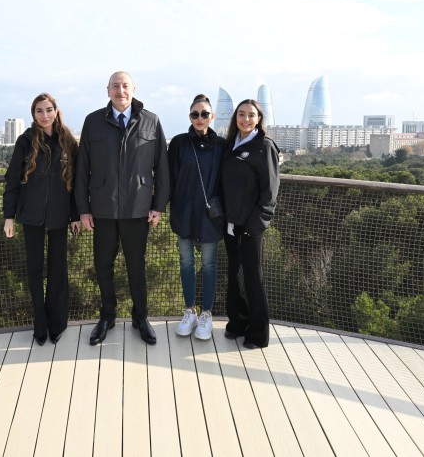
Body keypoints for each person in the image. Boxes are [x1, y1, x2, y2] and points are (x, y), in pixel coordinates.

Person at [75, 71, 170, 345]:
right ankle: (107, 316)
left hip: (138, 209)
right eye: (115, 86)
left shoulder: (151, 121)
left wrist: (158, 206)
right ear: (108, 91)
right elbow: (82, 170)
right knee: (103, 265)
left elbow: (161, 167)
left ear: (134, 89)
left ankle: (141, 318)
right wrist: (83, 209)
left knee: (136, 266)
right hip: (102, 209)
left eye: (125, 86)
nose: (120, 91)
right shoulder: (93, 122)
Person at [3, 93, 80, 346]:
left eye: (48, 110)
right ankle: (40, 326)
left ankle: (58, 323)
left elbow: (77, 183)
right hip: (31, 216)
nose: (44, 115)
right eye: (39, 111)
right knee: (35, 271)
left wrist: (76, 216)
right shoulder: (25, 141)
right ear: (33, 114)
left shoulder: (67, 140)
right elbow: (12, 180)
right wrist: (9, 216)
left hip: (59, 217)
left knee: (58, 271)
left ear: (56, 111)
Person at [221, 98, 280, 349]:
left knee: (253, 278)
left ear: (259, 119)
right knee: (234, 275)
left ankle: (258, 334)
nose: (246, 119)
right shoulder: (230, 145)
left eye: (251, 115)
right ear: (236, 117)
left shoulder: (263, 146)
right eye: (241, 114)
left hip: (250, 227)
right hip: (230, 223)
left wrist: (256, 225)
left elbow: (270, 192)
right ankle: (237, 323)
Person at [167, 94, 224, 341]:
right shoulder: (179, 143)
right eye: (195, 114)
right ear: (189, 116)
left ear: (211, 117)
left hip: (211, 214)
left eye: (204, 114)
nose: (199, 118)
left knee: (209, 264)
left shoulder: (222, 144)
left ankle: (206, 315)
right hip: (184, 211)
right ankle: (189, 311)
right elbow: (169, 176)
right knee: (186, 262)